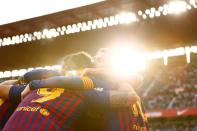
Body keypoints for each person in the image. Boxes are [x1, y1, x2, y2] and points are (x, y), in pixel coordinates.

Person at [20, 51, 148, 131]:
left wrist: (33, 83)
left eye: (100, 60)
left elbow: (135, 86)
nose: (94, 62)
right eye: (95, 58)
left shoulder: (116, 83)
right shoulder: (115, 83)